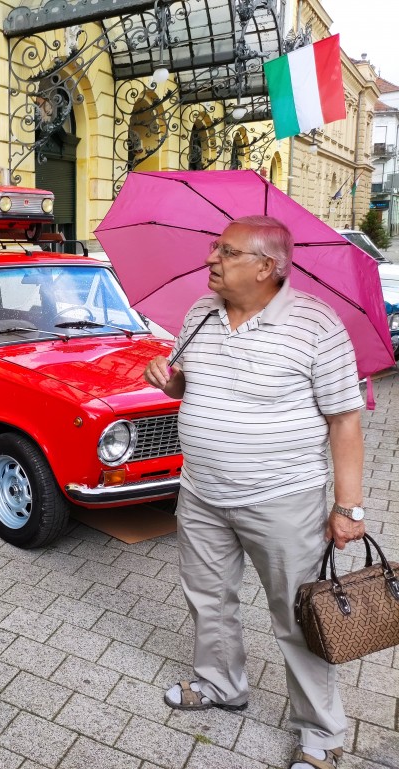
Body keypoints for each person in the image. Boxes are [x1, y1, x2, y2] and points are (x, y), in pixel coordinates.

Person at [143, 216, 367, 769]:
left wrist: (348, 507)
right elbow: (187, 383)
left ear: (268, 267)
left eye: (227, 252)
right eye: (214, 248)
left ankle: (321, 734)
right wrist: (168, 379)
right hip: (200, 493)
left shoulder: (317, 324)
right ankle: (221, 685)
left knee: (298, 616)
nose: (211, 260)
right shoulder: (200, 313)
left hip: (284, 500)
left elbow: (345, 421)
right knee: (210, 602)